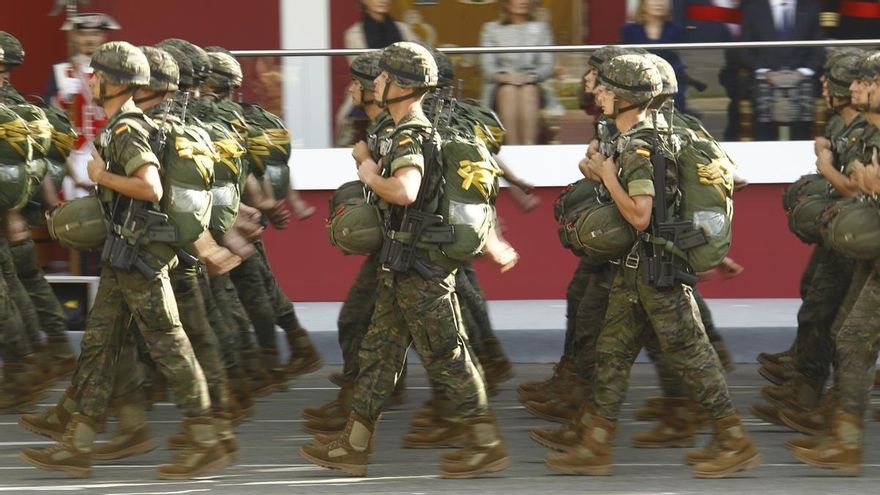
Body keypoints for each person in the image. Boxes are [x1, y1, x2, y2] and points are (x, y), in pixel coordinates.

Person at [299, 41, 509, 479]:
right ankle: (354, 444)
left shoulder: (410, 131)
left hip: (423, 269)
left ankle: (485, 442)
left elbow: (406, 190)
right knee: (379, 352)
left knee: (448, 356)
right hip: (404, 261)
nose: (376, 81)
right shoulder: (408, 127)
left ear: (400, 85)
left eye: (383, 76)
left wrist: (370, 173)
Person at [19, 41, 228, 480]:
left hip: (139, 257)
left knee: (170, 344)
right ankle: (76, 441)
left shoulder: (126, 128)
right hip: (125, 252)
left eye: (96, 74)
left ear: (113, 81)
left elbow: (150, 186)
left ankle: (206, 438)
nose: (89, 80)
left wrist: (100, 176)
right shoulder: (125, 124)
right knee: (99, 344)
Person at [544, 53, 759, 478]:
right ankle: (596, 445)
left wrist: (607, 175)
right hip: (637, 268)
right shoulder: (640, 137)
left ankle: (734, 440)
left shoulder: (640, 145)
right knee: (612, 353)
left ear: (627, 96)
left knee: (692, 354)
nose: (599, 93)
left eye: (607, 88)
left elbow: (640, 215)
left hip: (657, 272)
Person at [0, 31, 77, 381]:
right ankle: (52, 351)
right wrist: (48, 207)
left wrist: (12, 212)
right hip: (20, 211)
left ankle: (26, 365)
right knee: (27, 283)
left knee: (13, 289)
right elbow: (40, 163)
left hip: (9, 213)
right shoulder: (23, 106)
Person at [739, 0, 826, 140]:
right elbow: (744, 50)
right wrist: (765, 73)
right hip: (765, 81)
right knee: (764, 129)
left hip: (802, 80)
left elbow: (819, 49)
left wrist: (803, 73)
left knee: (802, 130)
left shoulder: (810, 8)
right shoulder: (753, 8)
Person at [337, 0, 418, 146]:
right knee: (347, 119)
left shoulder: (404, 30)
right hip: (370, 90)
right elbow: (364, 72)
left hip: (404, 90)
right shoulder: (354, 34)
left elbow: (418, 64)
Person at [479, 0, 555, 145]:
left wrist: (530, 77)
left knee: (528, 91)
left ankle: (528, 148)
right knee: (509, 91)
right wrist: (507, 78)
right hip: (501, 84)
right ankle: (513, 149)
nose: (523, 1)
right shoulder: (491, 29)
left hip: (533, 82)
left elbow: (547, 65)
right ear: (506, 3)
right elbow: (487, 68)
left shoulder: (541, 28)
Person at [621, 0, 690, 111]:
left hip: (671, 87)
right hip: (640, 86)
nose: (659, 3)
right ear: (643, 4)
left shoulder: (677, 30)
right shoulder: (630, 31)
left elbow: (679, 63)